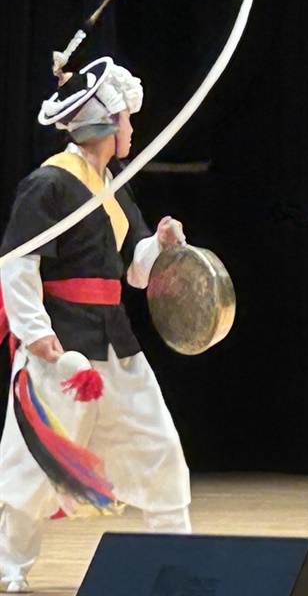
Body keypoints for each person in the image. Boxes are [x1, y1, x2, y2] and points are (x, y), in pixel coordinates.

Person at [0, 58, 191, 594]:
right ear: (107, 123)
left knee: (159, 448)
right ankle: (7, 565)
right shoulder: (48, 184)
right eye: (128, 118)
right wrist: (36, 332)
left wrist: (161, 244)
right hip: (61, 348)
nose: (132, 128)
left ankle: (178, 559)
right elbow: (17, 261)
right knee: (38, 461)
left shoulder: (113, 186)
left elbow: (133, 269)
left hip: (116, 343)